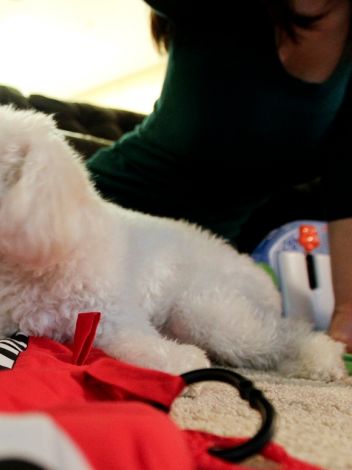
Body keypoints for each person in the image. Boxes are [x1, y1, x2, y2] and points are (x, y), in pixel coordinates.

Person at [85, 0, 352, 352]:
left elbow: (345, 193)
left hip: (201, 265)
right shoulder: (218, 7)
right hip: (106, 218)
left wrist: (346, 314)